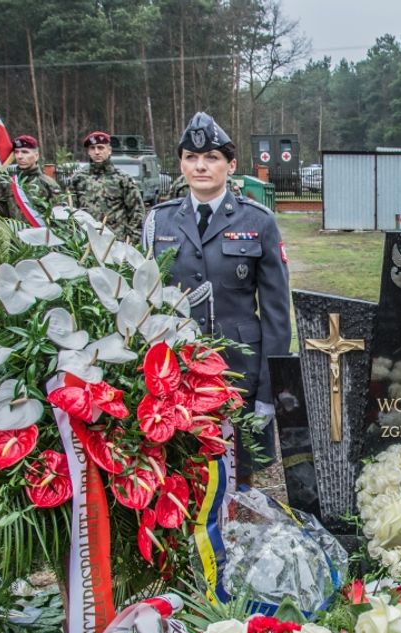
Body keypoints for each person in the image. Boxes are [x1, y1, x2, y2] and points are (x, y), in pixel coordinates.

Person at [143, 112, 291, 487]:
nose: (201, 166)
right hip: (177, 367)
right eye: (191, 158)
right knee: (181, 469)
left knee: (239, 475)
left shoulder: (257, 221)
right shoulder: (158, 222)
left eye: (211, 157)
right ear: (180, 164)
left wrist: (268, 389)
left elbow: (275, 312)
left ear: (231, 165)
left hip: (238, 367)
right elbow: (142, 301)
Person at [67, 130, 144, 240]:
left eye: (100, 147)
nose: (97, 152)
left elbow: (137, 211)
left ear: (109, 150)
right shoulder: (78, 179)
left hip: (116, 241)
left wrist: (132, 239)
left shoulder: (122, 179)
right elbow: (71, 211)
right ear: (88, 152)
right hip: (86, 240)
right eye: (92, 148)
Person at [10, 134, 62, 211]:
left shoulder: (48, 184)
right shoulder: (11, 183)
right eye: (16, 152)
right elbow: (1, 214)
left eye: (25, 152)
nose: (19, 156)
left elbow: (59, 215)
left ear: (36, 156)